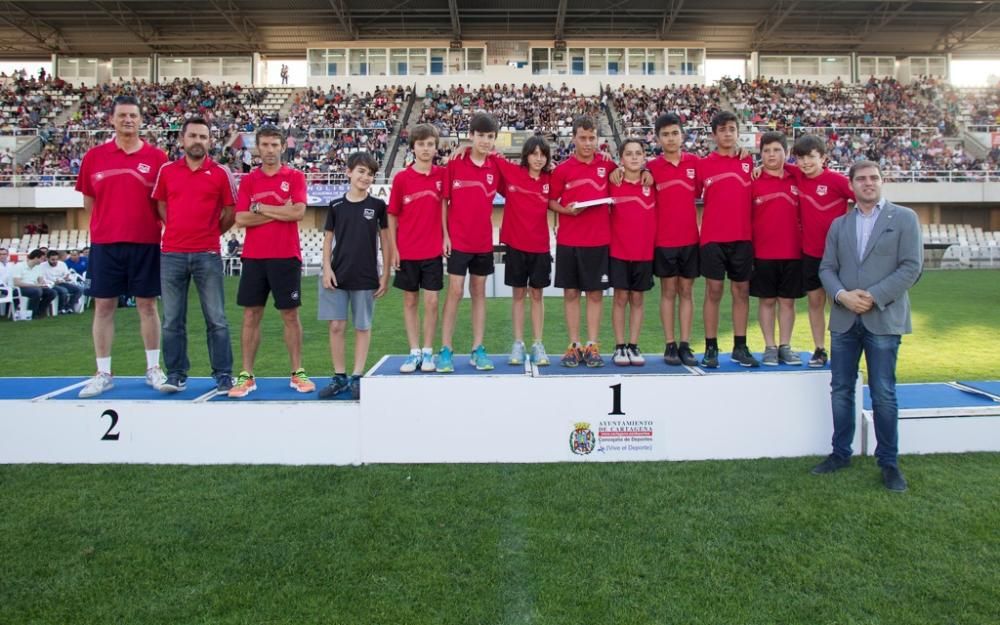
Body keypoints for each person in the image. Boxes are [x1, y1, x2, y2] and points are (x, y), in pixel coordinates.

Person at [813, 160, 923, 492]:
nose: (868, 183)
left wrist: (873, 296)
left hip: (883, 318)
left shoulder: (905, 218)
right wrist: (843, 295)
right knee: (842, 390)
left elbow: (911, 268)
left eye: (873, 178)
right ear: (852, 185)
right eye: (861, 179)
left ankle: (888, 463)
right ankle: (840, 453)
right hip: (845, 320)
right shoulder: (839, 225)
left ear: (882, 181)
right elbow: (827, 269)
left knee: (883, 393)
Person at [75, 94, 169, 398]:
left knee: (147, 305)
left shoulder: (157, 158)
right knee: (103, 306)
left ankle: (153, 368)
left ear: (141, 120)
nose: (128, 120)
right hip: (105, 244)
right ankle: (103, 372)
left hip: (146, 241)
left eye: (133, 116)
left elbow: (164, 203)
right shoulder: (94, 157)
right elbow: (89, 202)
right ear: (112, 120)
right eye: (122, 116)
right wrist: (109, 225)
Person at [151, 116, 237, 394]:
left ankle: (223, 375)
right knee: (172, 319)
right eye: (193, 136)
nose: (198, 141)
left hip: (207, 253)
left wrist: (210, 233)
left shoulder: (221, 172)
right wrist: (177, 230)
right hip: (172, 254)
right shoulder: (167, 171)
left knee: (217, 319)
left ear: (210, 141)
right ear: (182, 139)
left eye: (203, 137)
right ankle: (176, 374)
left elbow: (230, 213)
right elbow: (161, 206)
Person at [229, 125, 316, 398]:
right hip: (254, 257)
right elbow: (241, 218)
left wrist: (262, 208)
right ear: (258, 147)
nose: (269, 150)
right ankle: (247, 375)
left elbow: (299, 212)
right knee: (250, 315)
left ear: (282, 147)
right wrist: (282, 211)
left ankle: (297, 372)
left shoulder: (295, 177)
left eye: (274, 145)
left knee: (290, 315)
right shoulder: (250, 180)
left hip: (286, 256)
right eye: (264, 145)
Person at [318, 152, 390, 399]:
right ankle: (339, 376)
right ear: (349, 172)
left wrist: (385, 274)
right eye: (361, 171)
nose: (365, 177)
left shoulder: (378, 206)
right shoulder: (336, 205)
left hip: (366, 275)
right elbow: (328, 240)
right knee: (337, 326)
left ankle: (358, 377)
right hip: (337, 275)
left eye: (370, 173)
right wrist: (326, 269)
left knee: (362, 326)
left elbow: (385, 241)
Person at [547, 116, 614, 368]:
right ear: (573, 138)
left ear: (597, 138)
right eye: (583, 138)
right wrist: (566, 211)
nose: (588, 143)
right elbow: (552, 201)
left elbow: (629, 174)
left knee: (595, 295)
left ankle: (592, 345)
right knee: (571, 293)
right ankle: (574, 345)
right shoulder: (563, 169)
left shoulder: (608, 166)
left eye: (592, 138)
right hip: (569, 241)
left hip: (598, 241)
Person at [438, 112, 502, 372]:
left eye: (490, 137)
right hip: (458, 241)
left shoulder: (495, 165)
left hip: (483, 242)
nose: (485, 141)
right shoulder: (454, 163)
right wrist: (445, 234)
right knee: (454, 292)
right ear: (471, 136)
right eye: (480, 136)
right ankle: (446, 349)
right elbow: (444, 201)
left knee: (479, 293)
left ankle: (478, 348)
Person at [697, 111, 758, 368]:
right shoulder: (702, 165)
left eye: (732, 129)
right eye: (722, 130)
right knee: (713, 290)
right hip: (712, 238)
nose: (728, 134)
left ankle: (740, 346)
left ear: (737, 132)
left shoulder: (749, 163)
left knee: (741, 291)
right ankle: (711, 347)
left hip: (743, 237)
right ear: (714, 134)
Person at [790, 134, 855, 368]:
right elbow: (774, 164)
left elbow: (864, 199)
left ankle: (841, 346)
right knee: (814, 302)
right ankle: (819, 349)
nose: (805, 162)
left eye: (811, 157)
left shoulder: (836, 180)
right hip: (809, 253)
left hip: (836, 255)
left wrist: (852, 228)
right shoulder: (797, 174)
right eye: (800, 158)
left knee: (837, 302)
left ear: (823, 158)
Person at [387, 123, 447, 374]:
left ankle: (427, 350)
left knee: (432, 302)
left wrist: (445, 237)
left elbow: (445, 206)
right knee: (410, 301)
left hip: (433, 250)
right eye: (421, 144)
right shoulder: (402, 178)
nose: (425, 149)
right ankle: (413, 352)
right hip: (407, 251)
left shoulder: (442, 175)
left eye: (430, 144)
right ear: (413, 147)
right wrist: (393, 249)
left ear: (436, 147)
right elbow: (392, 216)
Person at [645, 113, 701, 367]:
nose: (670, 138)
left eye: (675, 133)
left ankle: (685, 344)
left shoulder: (695, 164)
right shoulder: (651, 168)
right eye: (665, 134)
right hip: (663, 241)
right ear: (657, 138)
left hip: (690, 240)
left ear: (682, 135)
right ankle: (669, 344)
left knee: (686, 291)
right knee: (668, 292)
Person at [494, 136, 553, 366]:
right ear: (526, 155)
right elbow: (488, 151)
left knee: (537, 296)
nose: (538, 159)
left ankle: (538, 344)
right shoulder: (511, 173)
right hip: (516, 246)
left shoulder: (551, 179)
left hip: (540, 247)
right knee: (518, 296)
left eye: (542, 154)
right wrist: (463, 145)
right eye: (534, 154)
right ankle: (518, 344)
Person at [750, 132, 803, 366]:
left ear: (786, 153)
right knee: (767, 301)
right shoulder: (753, 181)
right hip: (762, 252)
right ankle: (770, 346)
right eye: (767, 151)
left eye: (777, 150)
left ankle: (785, 345)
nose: (772, 155)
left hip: (792, 252)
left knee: (788, 302)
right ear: (761, 155)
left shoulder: (796, 178)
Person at [608, 138, 655, 366]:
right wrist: (611, 170)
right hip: (618, 252)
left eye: (638, 153)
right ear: (621, 158)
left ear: (645, 157)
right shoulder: (613, 182)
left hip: (644, 254)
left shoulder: (652, 183)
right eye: (629, 153)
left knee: (637, 299)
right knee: (620, 298)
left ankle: (633, 346)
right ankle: (619, 347)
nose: (634, 157)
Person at [10, 249, 55, 317]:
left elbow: (40, 279)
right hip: (19, 288)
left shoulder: (38, 267)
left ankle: (39, 311)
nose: (43, 261)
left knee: (52, 292)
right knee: (36, 291)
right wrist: (35, 285)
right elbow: (17, 283)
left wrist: (44, 284)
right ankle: (32, 313)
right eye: (42, 259)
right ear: (36, 258)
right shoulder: (19, 266)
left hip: (34, 287)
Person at [43, 249, 83, 314]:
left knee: (79, 289)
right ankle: (61, 309)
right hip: (51, 284)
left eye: (56, 259)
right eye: (53, 260)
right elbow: (43, 279)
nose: (55, 261)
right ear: (47, 259)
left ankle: (69, 307)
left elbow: (66, 274)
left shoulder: (62, 264)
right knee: (63, 291)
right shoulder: (42, 266)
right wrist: (54, 282)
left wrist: (66, 277)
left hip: (62, 282)